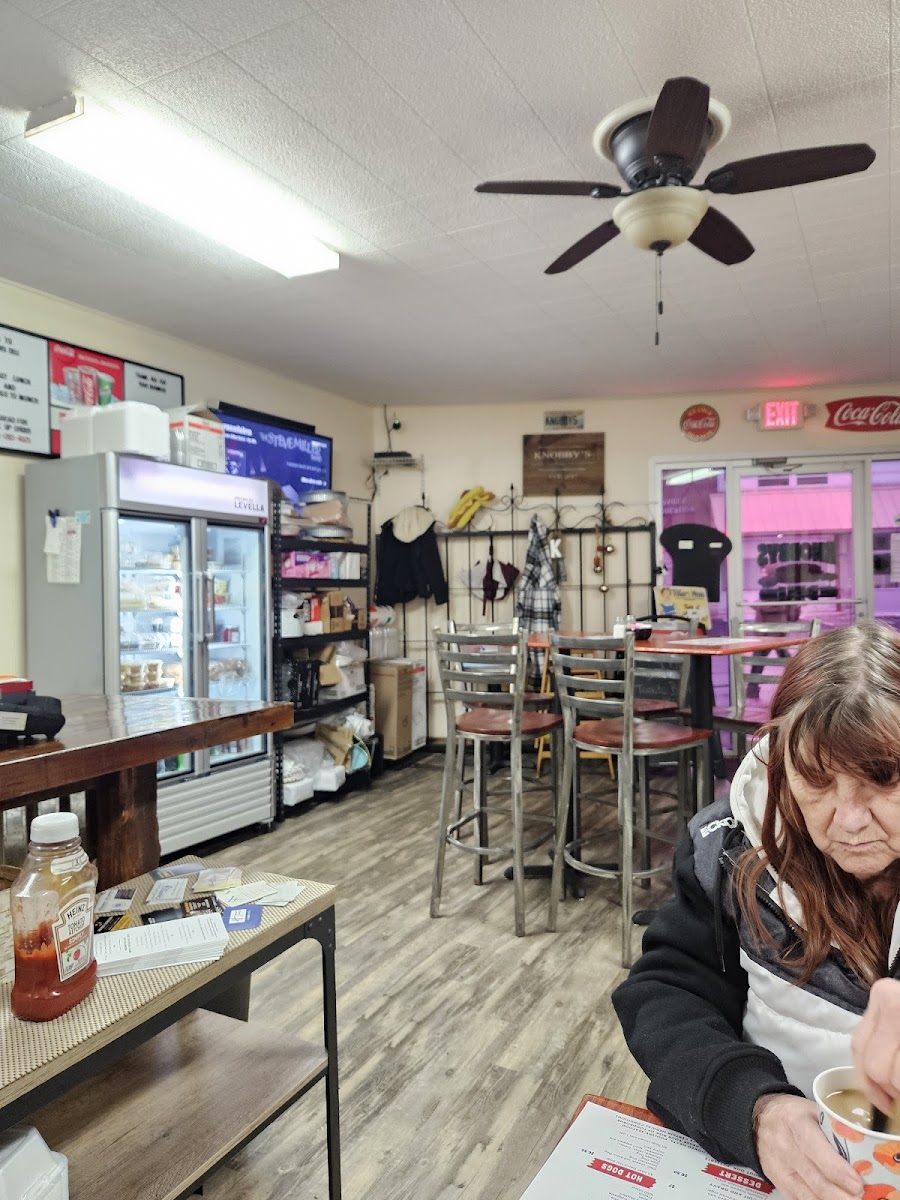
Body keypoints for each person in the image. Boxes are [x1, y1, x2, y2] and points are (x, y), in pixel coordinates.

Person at [613, 619, 900, 1200]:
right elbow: (669, 992)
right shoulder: (728, 851)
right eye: (815, 780)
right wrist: (753, 1107)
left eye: (884, 778)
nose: (847, 821)